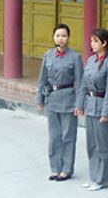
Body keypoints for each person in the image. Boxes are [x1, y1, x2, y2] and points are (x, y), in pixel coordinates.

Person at [36, 23, 83, 181]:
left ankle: (66, 170)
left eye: (63, 36)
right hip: (52, 99)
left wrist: (79, 104)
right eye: (58, 35)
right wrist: (40, 99)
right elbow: (42, 79)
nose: (60, 39)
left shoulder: (75, 57)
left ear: (68, 38)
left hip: (69, 100)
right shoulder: (48, 55)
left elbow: (80, 83)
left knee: (68, 136)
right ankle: (55, 168)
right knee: (54, 137)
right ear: (53, 37)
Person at [76, 28, 108, 191]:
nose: (92, 44)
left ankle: (103, 179)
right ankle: (94, 176)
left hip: (102, 107)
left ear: (104, 43)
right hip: (90, 105)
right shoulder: (90, 61)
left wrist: (106, 113)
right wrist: (80, 105)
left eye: (95, 41)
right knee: (91, 145)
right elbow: (83, 85)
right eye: (91, 41)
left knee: (103, 146)